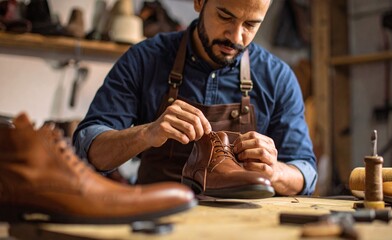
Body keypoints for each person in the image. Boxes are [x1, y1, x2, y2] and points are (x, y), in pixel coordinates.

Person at [73, 0, 317, 196]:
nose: (235, 36)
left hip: (242, 224)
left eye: (251, 25)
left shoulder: (277, 77)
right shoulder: (145, 59)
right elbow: (89, 149)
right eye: (225, 16)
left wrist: (275, 172)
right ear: (199, 2)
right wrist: (148, 133)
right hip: (156, 214)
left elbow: (306, 172)